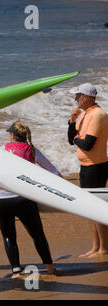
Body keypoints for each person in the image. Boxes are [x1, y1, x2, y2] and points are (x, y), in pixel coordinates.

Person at [0, 121, 62, 278]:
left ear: (12, 136)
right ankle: (50, 269)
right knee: (38, 235)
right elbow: (53, 172)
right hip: (23, 200)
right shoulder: (32, 150)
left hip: (1, 200)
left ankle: (16, 271)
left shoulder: (3, 149)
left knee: (9, 236)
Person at [67, 83, 108, 258]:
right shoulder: (86, 114)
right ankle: (95, 246)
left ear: (88, 97)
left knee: (96, 208)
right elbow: (71, 140)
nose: (76, 99)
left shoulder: (98, 114)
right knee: (89, 209)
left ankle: (103, 248)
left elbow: (88, 144)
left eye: (78, 95)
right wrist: (72, 121)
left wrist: (77, 139)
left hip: (96, 166)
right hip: (86, 167)